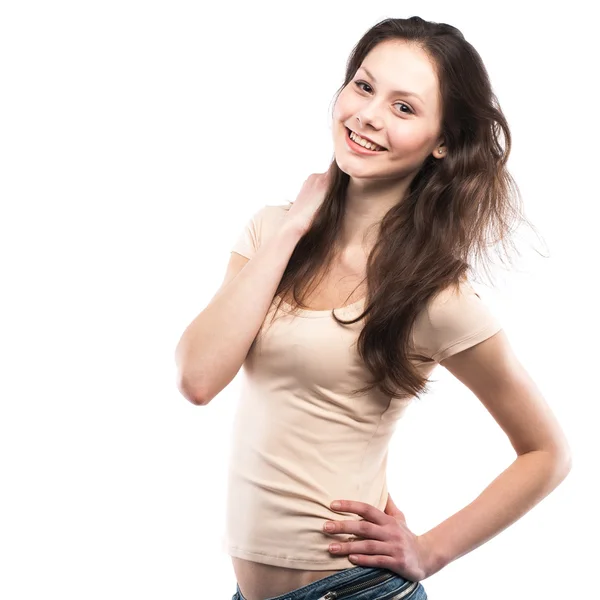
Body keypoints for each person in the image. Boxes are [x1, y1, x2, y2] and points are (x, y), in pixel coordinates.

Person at [174, 15, 572, 600]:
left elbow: (547, 453)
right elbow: (198, 378)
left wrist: (431, 549)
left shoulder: (436, 294)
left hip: (356, 590)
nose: (368, 116)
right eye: (364, 86)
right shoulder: (269, 232)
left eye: (404, 108)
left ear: (442, 141)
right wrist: (292, 231)